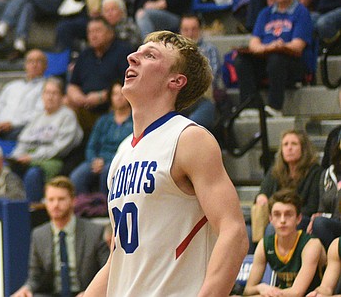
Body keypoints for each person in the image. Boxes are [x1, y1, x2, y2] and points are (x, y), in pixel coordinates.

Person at [84, 31, 249, 297]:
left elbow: (234, 233)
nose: (132, 57)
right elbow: (121, 255)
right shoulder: (123, 152)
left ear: (176, 80)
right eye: (137, 51)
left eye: (150, 55)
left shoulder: (189, 139)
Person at [13, 177, 110, 297]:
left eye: (61, 199)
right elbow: (35, 276)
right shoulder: (39, 234)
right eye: (51, 200)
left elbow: (107, 272)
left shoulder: (95, 232)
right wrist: (27, 288)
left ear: (73, 201)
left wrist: (90, 293)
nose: (55, 205)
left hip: (85, 293)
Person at [236, 0, 315, 115]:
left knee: (277, 58)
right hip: (268, 57)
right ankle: (250, 105)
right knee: (242, 60)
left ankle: (275, 107)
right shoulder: (265, 13)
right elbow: (254, 43)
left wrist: (281, 46)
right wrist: (269, 47)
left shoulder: (301, 12)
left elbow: (298, 46)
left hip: (293, 64)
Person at [8, 77, 83, 202]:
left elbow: (59, 148)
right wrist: (16, 156)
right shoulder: (37, 117)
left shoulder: (67, 116)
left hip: (55, 160)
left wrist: (32, 157)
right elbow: (23, 141)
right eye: (47, 93)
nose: (50, 97)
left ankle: (33, 212)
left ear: (62, 97)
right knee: (9, 172)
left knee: (33, 174)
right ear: (42, 96)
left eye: (54, 93)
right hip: (29, 158)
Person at [243, 190, 323, 297]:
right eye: (277, 215)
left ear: (298, 218)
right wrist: (261, 287)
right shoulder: (265, 244)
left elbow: (297, 292)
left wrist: (269, 294)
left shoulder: (311, 244)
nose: (282, 220)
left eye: (288, 214)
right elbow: (247, 290)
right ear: (270, 219)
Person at [253, 131, 322, 245]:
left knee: (272, 228)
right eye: (285, 144)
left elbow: (312, 206)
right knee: (249, 231)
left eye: (294, 144)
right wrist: (261, 197)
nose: (289, 148)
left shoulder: (315, 172)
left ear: (303, 149)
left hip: (299, 218)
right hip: (275, 217)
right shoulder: (275, 171)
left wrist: (286, 213)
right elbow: (262, 192)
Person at [69, 82, 133, 197]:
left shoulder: (135, 120)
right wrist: (93, 160)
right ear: (110, 97)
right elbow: (91, 146)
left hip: (119, 160)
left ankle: (106, 209)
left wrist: (106, 160)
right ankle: (85, 206)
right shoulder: (103, 120)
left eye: (121, 94)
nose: (118, 98)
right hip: (97, 160)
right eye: (115, 94)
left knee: (108, 173)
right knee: (76, 176)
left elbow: (130, 147)